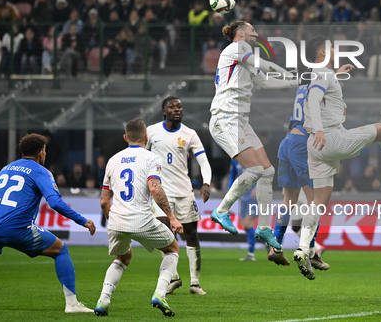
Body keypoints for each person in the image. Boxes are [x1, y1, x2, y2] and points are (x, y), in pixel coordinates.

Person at [295, 36, 381, 280]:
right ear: (323, 51)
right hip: (330, 138)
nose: (334, 50)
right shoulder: (323, 74)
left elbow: (321, 92)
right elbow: (313, 98)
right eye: (330, 47)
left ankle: (303, 248)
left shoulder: (321, 73)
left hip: (314, 144)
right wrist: (322, 128)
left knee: (319, 200)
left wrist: (338, 74)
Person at [0, 133, 96, 313]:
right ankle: (72, 304)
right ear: (41, 153)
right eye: (45, 151)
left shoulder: (6, 168)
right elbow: (55, 203)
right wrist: (83, 221)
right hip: (18, 229)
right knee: (60, 249)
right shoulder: (41, 171)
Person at [208, 20, 297, 250]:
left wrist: (295, 82)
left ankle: (264, 227)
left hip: (240, 119)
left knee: (267, 171)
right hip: (225, 116)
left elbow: (264, 82)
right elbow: (265, 65)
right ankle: (222, 210)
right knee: (256, 169)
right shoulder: (238, 48)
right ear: (240, 34)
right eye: (252, 31)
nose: (256, 35)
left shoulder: (244, 59)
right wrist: (287, 72)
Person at [94, 118, 184, 317]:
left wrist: (114, 220)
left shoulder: (113, 160)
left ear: (125, 137)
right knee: (172, 249)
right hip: (141, 218)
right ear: (146, 137)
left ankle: (103, 299)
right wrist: (172, 217)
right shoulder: (151, 158)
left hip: (116, 219)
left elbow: (103, 201)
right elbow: (155, 188)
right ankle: (160, 293)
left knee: (122, 258)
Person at [146, 97, 212, 296]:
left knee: (191, 234)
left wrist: (206, 182)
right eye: (172, 107)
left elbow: (203, 161)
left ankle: (195, 282)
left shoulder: (189, 134)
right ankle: (174, 277)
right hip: (161, 194)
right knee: (165, 235)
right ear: (163, 111)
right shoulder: (151, 132)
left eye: (179, 107)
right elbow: (142, 157)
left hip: (184, 193)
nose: (177, 110)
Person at [271, 82, 329, 271]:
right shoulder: (320, 86)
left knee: (288, 199)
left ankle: (275, 246)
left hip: (287, 141)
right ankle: (312, 253)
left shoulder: (303, 85)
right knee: (316, 202)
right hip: (302, 144)